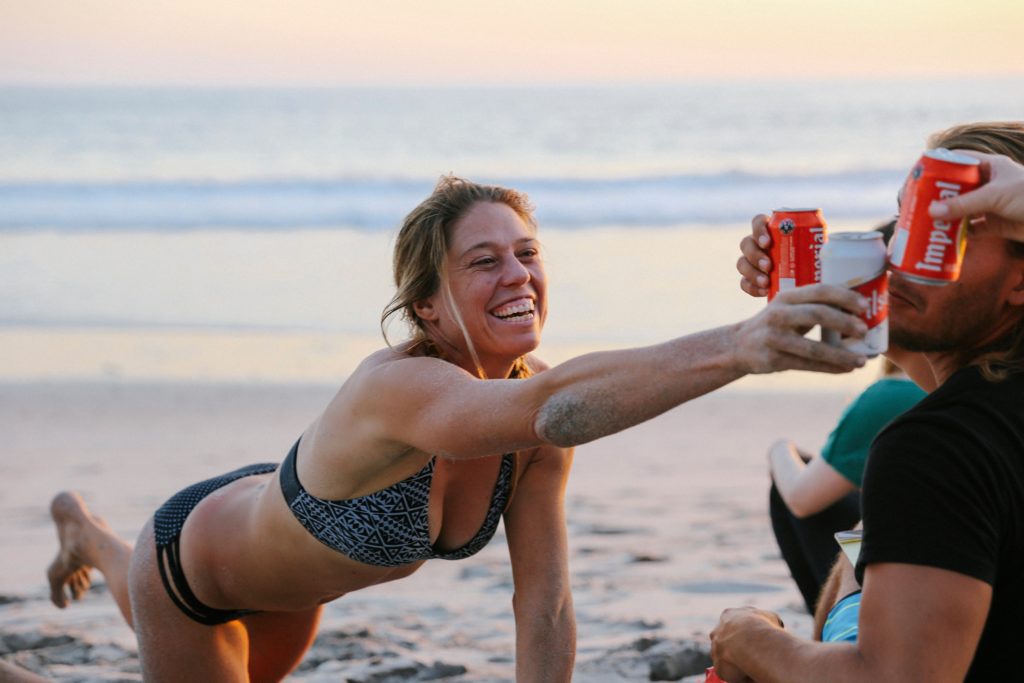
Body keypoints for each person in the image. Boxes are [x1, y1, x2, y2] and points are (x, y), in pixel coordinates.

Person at [47, 176, 869, 682]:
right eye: (483, 261)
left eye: (527, 252)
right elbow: (552, 404)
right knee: (161, 619)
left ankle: (87, 535)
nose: (518, 275)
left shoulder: (532, 411)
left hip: (295, 582)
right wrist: (739, 345)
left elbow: (542, 602)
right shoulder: (403, 390)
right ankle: (94, 541)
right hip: (192, 570)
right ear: (427, 308)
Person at [711, 120, 1024, 682]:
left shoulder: (938, 446)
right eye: (908, 216)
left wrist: (749, 639)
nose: (901, 249)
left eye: (945, 227)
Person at [767, 354, 924, 613]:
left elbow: (801, 499)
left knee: (793, 476)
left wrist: (779, 448)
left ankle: (831, 631)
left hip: (911, 585)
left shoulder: (892, 394)